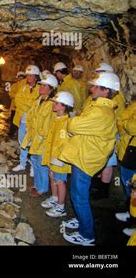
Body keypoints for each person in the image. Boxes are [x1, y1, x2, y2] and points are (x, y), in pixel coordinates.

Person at [59, 72, 119, 246]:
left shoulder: (101, 112)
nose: (91, 89)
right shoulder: (98, 107)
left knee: (79, 197)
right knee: (79, 195)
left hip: (86, 159)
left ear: (106, 91)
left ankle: (87, 234)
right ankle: (81, 221)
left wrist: (74, 122)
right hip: (83, 154)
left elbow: (72, 125)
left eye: (96, 87)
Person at [88, 63, 126, 199]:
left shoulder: (115, 96)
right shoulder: (102, 93)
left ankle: (103, 190)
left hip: (109, 133)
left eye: (100, 73)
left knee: (108, 162)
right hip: (100, 132)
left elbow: (115, 117)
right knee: (100, 161)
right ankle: (97, 185)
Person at [20, 74, 58, 197]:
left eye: (44, 85)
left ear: (51, 89)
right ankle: (37, 184)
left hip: (44, 139)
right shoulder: (39, 100)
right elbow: (31, 116)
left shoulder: (52, 104)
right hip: (35, 137)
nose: (41, 87)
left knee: (42, 165)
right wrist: (29, 130)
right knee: (35, 162)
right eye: (41, 85)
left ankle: (42, 189)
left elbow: (52, 123)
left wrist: (43, 136)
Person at [41, 91, 74, 217]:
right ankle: (54, 198)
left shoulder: (66, 123)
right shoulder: (57, 119)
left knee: (60, 181)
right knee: (52, 176)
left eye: (56, 103)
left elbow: (65, 143)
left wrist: (60, 159)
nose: (54, 104)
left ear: (64, 106)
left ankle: (61, 207)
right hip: (52, 156)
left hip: (60, 159)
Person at [12, 65, 41, 174]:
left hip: (33, 121)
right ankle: (22, 163)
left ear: (36, 77)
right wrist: (28, 106)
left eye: (30, 75)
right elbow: (17, 100)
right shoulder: (23, 88)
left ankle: (33, 166)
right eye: (27, 75)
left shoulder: (40, 89)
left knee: (32, 143)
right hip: (22, 120)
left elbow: (36, 104)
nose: (28, 77)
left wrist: (26, 105)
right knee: (22, 142)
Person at [114, 99, 136, 237]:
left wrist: (126, 122)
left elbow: (131, 126)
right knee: (128, 180)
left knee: (131, 182)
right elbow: (121, 119)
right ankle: (131, 213)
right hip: (131, 145)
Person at [9, 71, 26, 136]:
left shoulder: (26, 86)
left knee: (21, 122)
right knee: (13, 121)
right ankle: (11, 134)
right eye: (19, 77)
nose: (20, 78)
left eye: (22, 77)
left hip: (22, 108)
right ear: (17, 78)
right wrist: (19, 96)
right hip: (14, 107)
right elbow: (11, 94)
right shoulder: (14, 85)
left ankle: (19, 134)